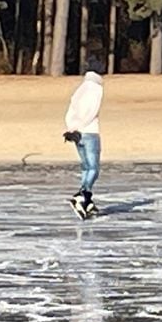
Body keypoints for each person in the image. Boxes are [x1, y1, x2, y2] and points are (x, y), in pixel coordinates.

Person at [63, 65, 104, 219]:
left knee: (86, 167)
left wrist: (72, 128)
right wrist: (81, 127)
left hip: (77, 132)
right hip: (89, 132)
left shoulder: (80, 89)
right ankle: (82, 195)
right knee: (93, 168)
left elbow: (72, 110)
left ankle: (87, 201)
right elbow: (91, 111)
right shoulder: (95, 89)